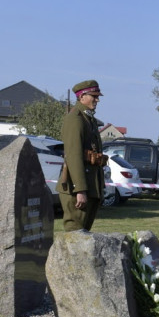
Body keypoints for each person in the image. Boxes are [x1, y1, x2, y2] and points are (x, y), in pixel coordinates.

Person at [57, 80, 107, 232]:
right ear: (82, 96)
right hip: (77, 189)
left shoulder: (87, 119)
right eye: (94, 96)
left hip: (90, 186)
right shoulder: (75, 119)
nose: (97, 100)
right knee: (75, 234)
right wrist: (80, 190)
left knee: (83, 235)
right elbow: (73, 156)